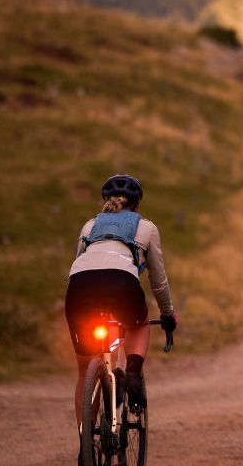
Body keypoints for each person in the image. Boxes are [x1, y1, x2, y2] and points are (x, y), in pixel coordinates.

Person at [64, 174, 177, 443]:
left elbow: (80, 261)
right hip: (121, 283)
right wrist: (167, 314)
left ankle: (85, 444)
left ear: (106, 202)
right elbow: (158, 280)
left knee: (85, 372)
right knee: (138, 326)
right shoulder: (146, 227)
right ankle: (133, 372)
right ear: (137, 205)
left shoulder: (90, 225)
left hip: (80, 287)